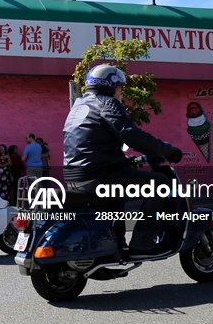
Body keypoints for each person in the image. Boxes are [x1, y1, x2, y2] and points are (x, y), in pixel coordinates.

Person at [63, 65, 183, 256]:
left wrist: (125, 160)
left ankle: (116, 242)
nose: (121, 92)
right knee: (160, 184)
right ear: (111, 86)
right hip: (99, 176)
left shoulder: (79, 106)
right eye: (120, 87)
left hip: (75, 176)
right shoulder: (106, 103)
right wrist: (167, 150)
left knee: (120, 188)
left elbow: (91, 143)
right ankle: (143, 243)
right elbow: (130, 134)